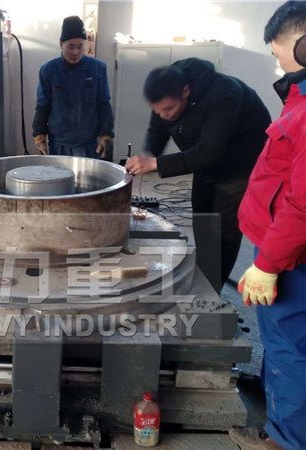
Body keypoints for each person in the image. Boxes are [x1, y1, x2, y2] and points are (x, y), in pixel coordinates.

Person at [229, 2, 306, 449]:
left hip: (289, 257)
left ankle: (286, 440)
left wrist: (268, 263)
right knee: (285, 345)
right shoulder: (299, 97)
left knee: (288, 349)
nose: (277, 64)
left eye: (279, 54)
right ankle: (276, 414)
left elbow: (302, 201)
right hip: (283, 248)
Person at [125, 58, 271, 293]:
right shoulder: (167, 92)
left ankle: (211, 292)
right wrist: (149, 152)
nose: (164, 115)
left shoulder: (224, 94)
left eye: (169, 109)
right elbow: (158, 129)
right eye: (158, 111)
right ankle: (205, 271)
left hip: (239, 166)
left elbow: (210, 151)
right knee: (203, 217)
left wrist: (155, 163)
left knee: (224, 230)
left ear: (186, 91)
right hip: (205, 160)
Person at [32, 16, 114, 160]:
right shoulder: (49, 70)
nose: (76, 52)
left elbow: (104, 104)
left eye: (80, 46)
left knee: (90, 176)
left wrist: (106, 135)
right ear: (61, 44)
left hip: (90, 146)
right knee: (59, 175)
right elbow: (42, 106)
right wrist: (40, 138)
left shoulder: (98, 69)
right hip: (59, 146)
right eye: (71, 46)